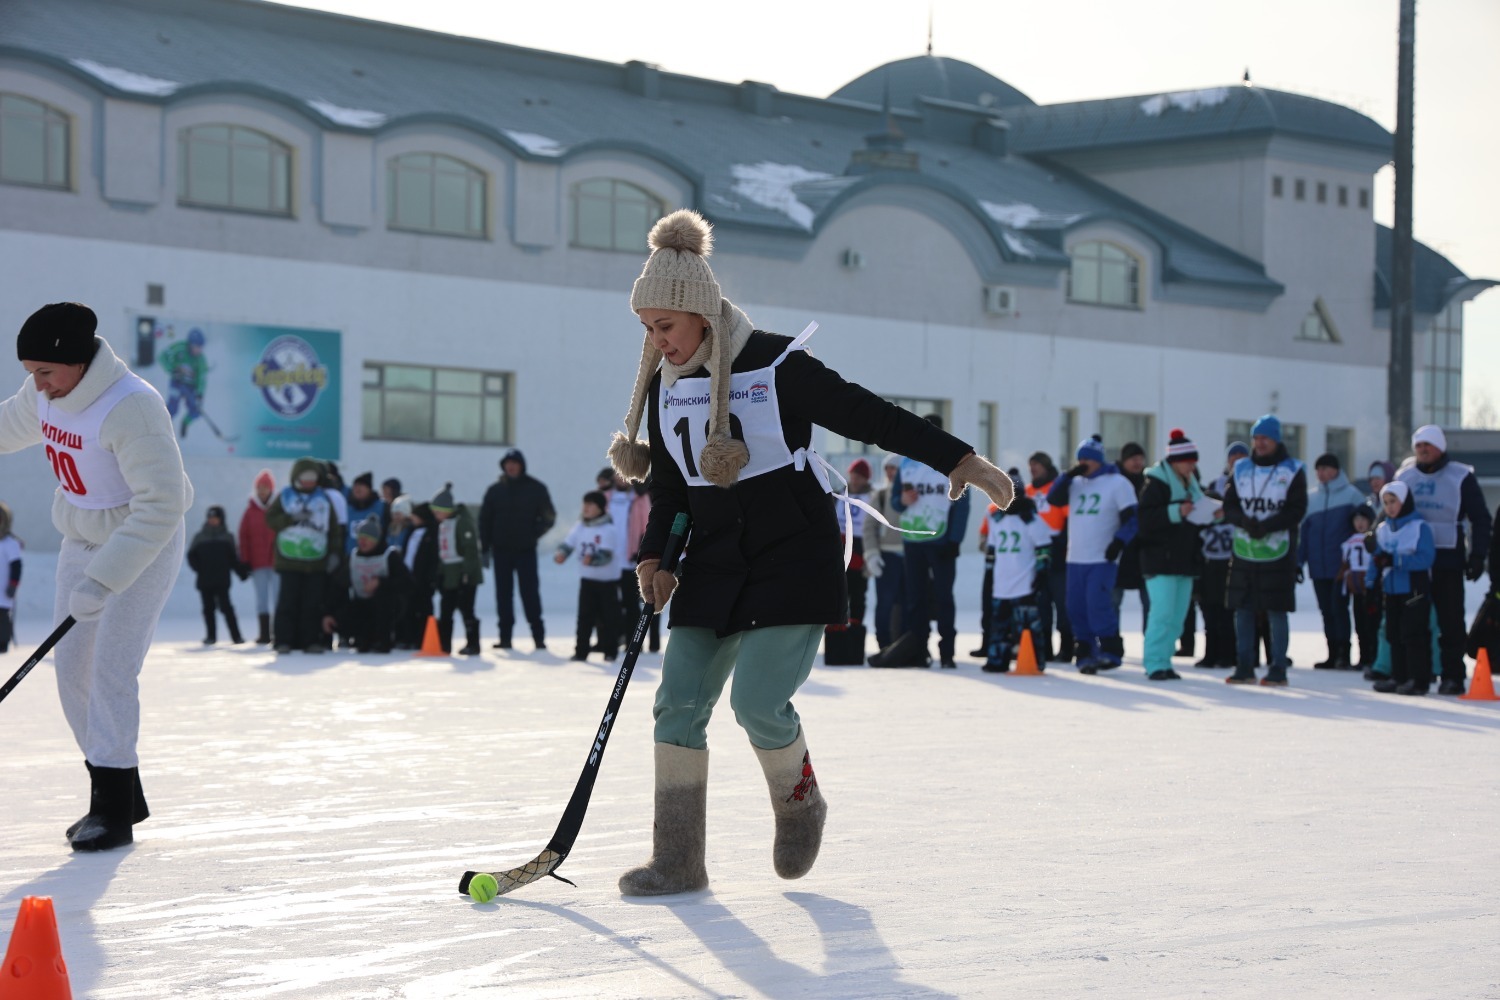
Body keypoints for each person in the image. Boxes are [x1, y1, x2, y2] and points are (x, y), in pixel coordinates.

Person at [605, 209, 1014, 895]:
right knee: (677, 703)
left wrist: (961, 460)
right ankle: (677, 859)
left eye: (665, 327)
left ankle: (801, 805)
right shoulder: (663, 388)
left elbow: (870, 415)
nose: (655, 342)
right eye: (646, 329)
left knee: (759, 702)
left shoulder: (778, 365)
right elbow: (673, 485)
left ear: (700, 313)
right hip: (714, 561)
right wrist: (657, 557)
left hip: (792, 553)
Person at [0, 302, 192, 851]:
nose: (37, 384)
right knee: (73, 672)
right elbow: (8, 426)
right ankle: (120, 788)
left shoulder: (132, 407)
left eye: (45, 371)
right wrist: (89, 571)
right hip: (82, 536)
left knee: (111, 669)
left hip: (142, 544)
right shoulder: (44, 392)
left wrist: (103, 581)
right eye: (31, 372)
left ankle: (111, 811)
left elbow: (161, 506)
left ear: (78, 361)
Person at [1393, 425, 1493, 695]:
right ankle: (1418, 677)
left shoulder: (1460, 476)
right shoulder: (1405, 476)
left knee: (1450, 621)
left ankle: (1452, 676)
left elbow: (1480, 519)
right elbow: (1388, 511)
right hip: (1413, 561)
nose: (1423, 450)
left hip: (1447, 559)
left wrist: (1477, 555)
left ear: (1441, 447)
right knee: (1414, 621)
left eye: (1428, 445)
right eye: (1419, 446)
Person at [872, 414, 971, 669]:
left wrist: (955, 539)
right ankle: (918, 650)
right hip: (913, 538)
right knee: (915, 600)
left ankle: (947, 652)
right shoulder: (907, 463)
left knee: (943, 597)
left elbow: (962, 503)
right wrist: (902, 501)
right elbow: (896, 500)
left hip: (941, 540)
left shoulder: (953, 459)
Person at [1222, 415, 1307, 687]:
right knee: (1243, 609)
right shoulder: (1241, 468)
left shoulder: (1293, 469)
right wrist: (1244, 522)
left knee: (1276, 610)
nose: (1259, 443)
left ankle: (1278, 668)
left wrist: (1268, 525)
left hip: (1277, 551)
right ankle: (1244, 666)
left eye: (1265, 438)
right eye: (1256, 438)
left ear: (1276, 440)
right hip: (1245, 550)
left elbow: (1297, 510)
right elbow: (1230, 505)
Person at [1047, 435, 1138, 673]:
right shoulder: (1076, 483)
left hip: (1101, 557)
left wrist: (1118, 543)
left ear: (1098, 460)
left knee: (1097, 605)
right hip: (1075, 557)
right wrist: (1067, 475)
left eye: (1087, 458)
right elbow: (1053, 498)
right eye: (1080, 459)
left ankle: (1110, 650)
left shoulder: (1117, 483)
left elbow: (1132, 519)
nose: (1083, 462)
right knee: (1075, 607)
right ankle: (1086, 651)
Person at [1134, 430, 1207, 680]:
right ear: (1176, 461)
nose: (1192, 465)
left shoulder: (1192, 482)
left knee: (1177, 618)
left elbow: (1197, 514)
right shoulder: (1155, 484)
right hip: (1159, 561)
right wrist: (1177, 511)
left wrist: (1212, 515)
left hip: (1184, 561)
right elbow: (1145, 520)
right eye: (1188, 461)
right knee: (1162, 614)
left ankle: (1165, 662)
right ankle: (1154, 663)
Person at [478, 448, 555, 651]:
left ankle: (538, 637)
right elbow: (484, 520)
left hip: (525, 551)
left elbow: (549, 517)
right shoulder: (494, 491)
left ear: (522, 465)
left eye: (515, 463)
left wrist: (532, 534)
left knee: (529, 593)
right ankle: (505, 638)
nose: (511, 467)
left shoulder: (536, 488)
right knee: (503, 595)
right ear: (503, 466)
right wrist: (485, 548)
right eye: (507, 463)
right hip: (501, 551)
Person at [264, 456, 343, 654]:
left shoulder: (324, 499)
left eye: (312, 478)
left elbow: (333, 529)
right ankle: (283, 640)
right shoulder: (284, 496)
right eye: (305, 478)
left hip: (316, 562)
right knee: (287, 603)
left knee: (312, 605)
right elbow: (271, 519)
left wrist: (335, 553)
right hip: (288, 561)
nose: (309, 482)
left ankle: (310, 641)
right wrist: (290, 519)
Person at [1367, 483, 1436, 695]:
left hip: (1414, 589)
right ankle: (1399, 676)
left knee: (1413, 633)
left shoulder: (1419, 527)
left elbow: (1426, 558)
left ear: (1404, 501)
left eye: (1393, 501)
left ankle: (1418, 679)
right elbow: (1376, 559)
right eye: (1385, 503)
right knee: (1393, 633)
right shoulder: (1383, 529)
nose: (1389, 507)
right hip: (1391, 589)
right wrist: (1370, 586)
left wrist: (1396, 560)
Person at [1299, 453, 1366, 670]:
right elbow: (1304, 534)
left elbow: (1365, 526)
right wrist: (1299, 562)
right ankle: (1331, 652)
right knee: (1326, 610)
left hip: (1342, 567)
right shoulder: (1311, 499)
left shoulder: (1352, 495)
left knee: (1339, 609)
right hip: (1318, 566)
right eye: (1318, 469)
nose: (1322, 473)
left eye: (1326, 469)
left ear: (1336, 470)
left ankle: (1343, 654)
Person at [980, 493, 1052, 673]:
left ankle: (1034, 661)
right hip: (1001, 584)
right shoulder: (997, 519)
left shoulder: (1031, 520)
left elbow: (1044, 548)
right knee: (999, 628)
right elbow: (991, 550)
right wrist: (989, 574)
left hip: (1025, 583)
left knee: (1028, 628)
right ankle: (997, 660)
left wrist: (1041, 574)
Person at [555, 490, 622, 662]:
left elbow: (607, 555)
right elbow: (568, 543)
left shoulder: (609, 529)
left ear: (600, 508)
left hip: (607, 582)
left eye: (590, 504)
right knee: (584, 617)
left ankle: (610, 651)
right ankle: (581, 651)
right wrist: (562, 553)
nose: (586, 507)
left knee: (609, 618)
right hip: (587, 580)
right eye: (585, 503)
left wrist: (593, 559)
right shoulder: (580, 526)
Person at [327, 515, 409, 653]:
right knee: (344, 610)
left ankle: (383, 640)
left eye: (367, 539)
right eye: (360, 538)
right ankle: (361, 638)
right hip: (362, 604)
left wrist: (381, 582)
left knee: (382, 598)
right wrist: (329, 613)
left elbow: (407, 583)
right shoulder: (353, 557)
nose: (362, 542)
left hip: (389, 607)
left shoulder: (389, 555)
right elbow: (338, 585)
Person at [1025, 452, 1071, 662]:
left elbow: (1068, 519)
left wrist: (1060, 543)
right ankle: (1044, 648)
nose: (1033, 469)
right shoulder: (1027, 492)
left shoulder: (1058, 489)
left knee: (1062, 603)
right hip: (1034, 556)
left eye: (1037, 465)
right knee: (1041, 605)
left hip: (1058, 553)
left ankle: (1067, 648)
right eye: (1031, 465)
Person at [861, 454, 906, 650]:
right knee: (885, 604)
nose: (890, 472)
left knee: (908, 603)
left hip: (911, 557)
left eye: (894, 468)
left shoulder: (913, 493)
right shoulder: (880, 495)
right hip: (887, 557)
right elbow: (868, 527)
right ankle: (884, 644)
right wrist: (872, 555)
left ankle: (906, 643)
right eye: (887, 468)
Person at [431, 482, 482, 655]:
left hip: (463, 574)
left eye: (438, 511)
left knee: (467, 609)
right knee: (446, 610)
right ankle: (444, 644)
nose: (436, 515)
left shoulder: (462, 522)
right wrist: (440, 573)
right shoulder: (444, 524)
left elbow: (471, 550)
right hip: (449, 575)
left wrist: (467, 573)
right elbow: (444, 552)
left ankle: (473, 643)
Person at [187, 505, 245, 644]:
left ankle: (236, 637)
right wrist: (199, 568)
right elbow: (191, 556)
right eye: (211, 518)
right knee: (208, 609)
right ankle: (211, 637)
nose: (213, 520)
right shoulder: (199, 537)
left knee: (226, 608)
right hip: (205, 580)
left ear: (221, 519)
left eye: (216, 518)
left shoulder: (228, 537)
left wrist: (241, 572)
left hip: (222, 580)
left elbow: (233, 559)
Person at [238, 469, 278, 645]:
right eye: (259, 487)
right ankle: (264, 634)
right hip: (258, 563)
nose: (262, 491)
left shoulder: (278, 509)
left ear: (271, 489)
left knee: (278, 598)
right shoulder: (250, 511)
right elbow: (243, 537)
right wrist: (245, 560)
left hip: (277, 562)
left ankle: (278, 632)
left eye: (265, 487)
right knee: (261, 599)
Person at [1113, 441, 1150, 630]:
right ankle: (1111, 643)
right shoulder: (1115, 482)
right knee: (1113, 601)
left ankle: (1151, 644)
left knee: (1149, 602)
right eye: (1133, 459)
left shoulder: (1148, 483)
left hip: (1144, 551)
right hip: (1119, 550)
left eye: (1140, 459)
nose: (1138, 463)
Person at [1340, 502, 1380, 668]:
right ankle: (1363, 657)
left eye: (1363, 518)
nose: (1360, 523)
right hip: (1356, 589)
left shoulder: (1376, 538)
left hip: (1372, 588)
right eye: (1356, 519)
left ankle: (1375, 657)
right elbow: (1345, 563)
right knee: (1360, 624)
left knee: (1373, 623)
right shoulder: (1349, 541)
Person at [398, 500, 439, 650]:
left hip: (423, 579)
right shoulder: (411, 531)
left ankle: (423, 638)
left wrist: (430, 578)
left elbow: (432, 559)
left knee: (423, 610)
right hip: (408, 577)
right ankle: (408, 637)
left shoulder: (431, 533)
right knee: (408, 610)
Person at [626, 476, 660, 652]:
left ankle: (651, 642)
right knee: (647, 597)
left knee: (650, 597)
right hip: (642, 551)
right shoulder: (639, 497)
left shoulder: (644, 498)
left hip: (646, 551)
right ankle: (643, 642)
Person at [159, 326, 207, 439]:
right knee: (172, 409)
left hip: (190, 388)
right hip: (177, 382)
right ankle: (160, 427)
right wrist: (172, 369)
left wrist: (199, 394)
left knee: (195, 411)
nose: (199, 350)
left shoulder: (201, 360)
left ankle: (185, 423)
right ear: (190, 344)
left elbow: (202, 379)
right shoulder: (180, 348)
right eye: (197, 346)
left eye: (201, 347)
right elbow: (162, 356)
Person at [843, 458, 872, 629]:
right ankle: (837, 627)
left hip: (861, 547)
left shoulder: (872, 496)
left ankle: (855, 627)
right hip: (840, 546)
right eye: (854, 475)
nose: (855, 479)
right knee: (839, 592)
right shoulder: (840, 492)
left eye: (859, 476)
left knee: (858, 593)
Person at [0, 500, 22, 653]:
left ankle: (3, 642)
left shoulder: (9, 544)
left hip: (3, 590)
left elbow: (16, 566)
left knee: (2, 617)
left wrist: (13, 585)